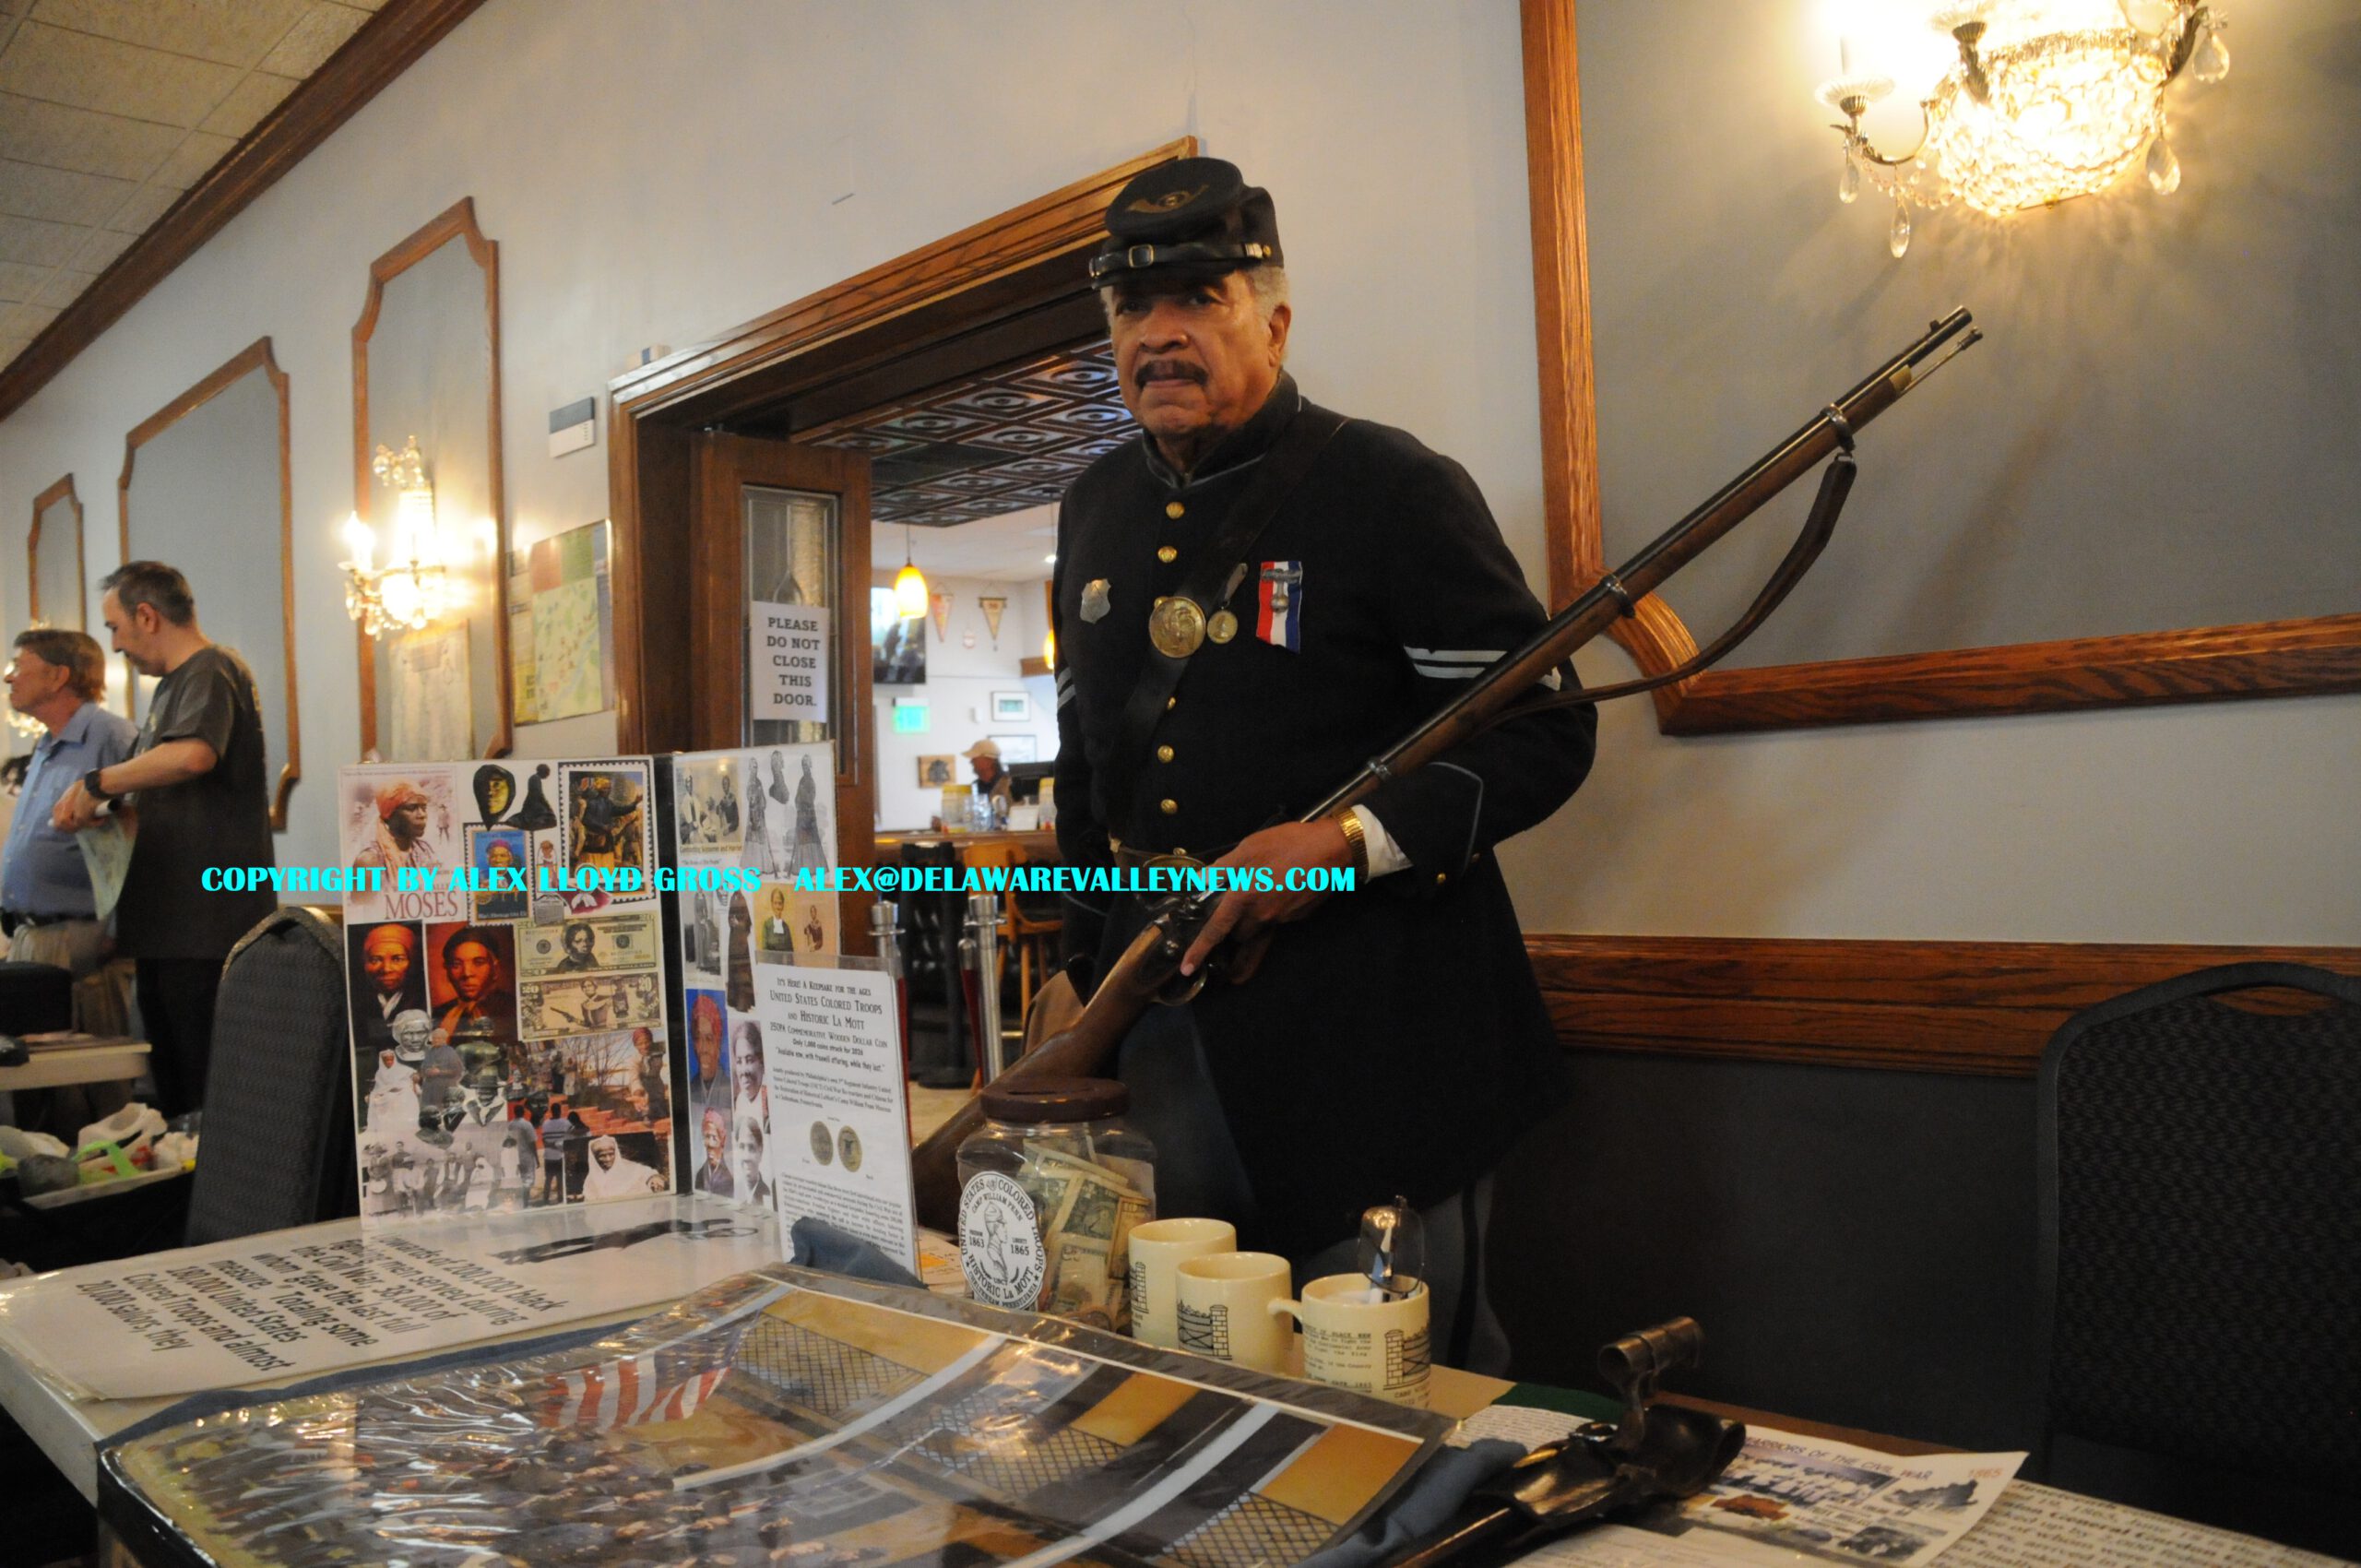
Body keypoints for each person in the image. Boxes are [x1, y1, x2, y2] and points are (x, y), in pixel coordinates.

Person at [1051, 160, 1596, 1367]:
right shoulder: (1091, 506)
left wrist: (1346, 845)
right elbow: (1086, 771)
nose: (1159, 333)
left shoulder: (1392, 487)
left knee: (1398, 1381)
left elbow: (1546, 730)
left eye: (1199, 298)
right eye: (1133, 308)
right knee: (1193, 1364)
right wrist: (1083, 971)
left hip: (1377, 1038)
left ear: (1275, 320)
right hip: (1160, 1026)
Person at [52, 562, 279, 1113]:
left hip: (205, 926)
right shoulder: (171, 688)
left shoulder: (211, 669)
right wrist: (106, 812)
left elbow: (193, 755)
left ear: (147, 616)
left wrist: (97, 783)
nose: (115, 644)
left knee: (208, 1096)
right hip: (168, 927)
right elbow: (164, 794)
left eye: (115, 627)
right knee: (175, 1098)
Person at [1, 630, 140, 1061]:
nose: (9, 677)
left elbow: (144, 835)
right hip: (32, 936)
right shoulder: (46, 744)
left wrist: (116, 932)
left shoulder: (112, 737)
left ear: (59, 676)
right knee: (35, 1082)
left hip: (80, 941)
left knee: (86, 1082)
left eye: (19, 665)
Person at [350, 923, 429, 1061]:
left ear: (412, 961)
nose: (386, 969)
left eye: (397, 959)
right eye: (375, 960)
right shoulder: (355, 1003)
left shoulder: (425, 1001)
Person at [433, 925, 517, 1045]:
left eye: (478, 963)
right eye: (456, 964)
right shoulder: (438, 1014)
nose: (467, 973)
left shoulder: (513, 1009)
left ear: (495, 968)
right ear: (447, 970)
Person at [352, 780, 439, 879]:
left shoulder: (425, 850)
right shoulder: (369, 862)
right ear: (390, 814)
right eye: (411, 808)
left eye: (424, 808)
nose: (422, 815)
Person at [580, 1134, 667, 1200]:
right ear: (595, 1158)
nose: (608, 1159)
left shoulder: (629, 1167)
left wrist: (654, 1179)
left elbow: (648, 1173)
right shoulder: (591, 1179)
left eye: (611, 1154)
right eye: (602, 1156)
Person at [732, 1113, 772, 1207]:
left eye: (752, 1148)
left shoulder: (768, 1195)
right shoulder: (733, 1190)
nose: (746, 1157)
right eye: (742, 1147)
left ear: (760, 1151)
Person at [965, 740, 1014, 814]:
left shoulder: (1010, 784)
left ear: (989, 761)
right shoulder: (975, 787)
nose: (971, 761)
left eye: (975, 758)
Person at [695, 1106, 736, 1198]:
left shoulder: (729, 1178)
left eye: (714, 1138)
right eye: (707, 1137)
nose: (710, 1144)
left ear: (722, 1140)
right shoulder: (700, 1176)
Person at [539, 1099, 575, 1203]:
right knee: (560, 1178)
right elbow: (572, 1135)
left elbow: (544, 1140)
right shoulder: (566, 1123)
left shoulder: (545, 1124)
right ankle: (560, 1198)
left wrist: (551, 1145)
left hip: (548, 1155)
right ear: (560, 1111)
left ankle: (545, 1199)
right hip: (560, 1155)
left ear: (551, 1111)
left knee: (548, 1178)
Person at [760, 887, 792, 954]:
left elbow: (790, 953)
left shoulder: (786, 927)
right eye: (775, 903)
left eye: (780, 903)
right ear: (772, 904)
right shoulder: (767, 925)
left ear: (783, 905)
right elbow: (765, 950)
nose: (777, 906)